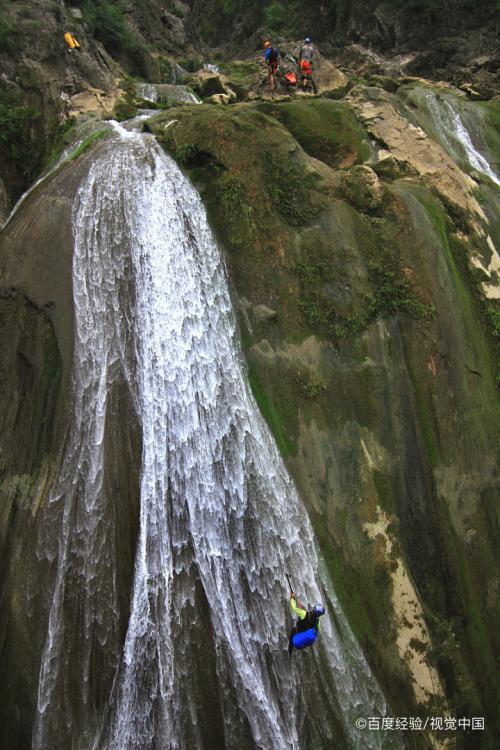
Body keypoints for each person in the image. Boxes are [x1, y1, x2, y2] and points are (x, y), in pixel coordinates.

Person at [288, 592, 325, 656]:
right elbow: (316, 630)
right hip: (303, 636)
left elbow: (294, 607)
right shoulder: (317, 622)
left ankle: (289, 653)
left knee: (292, 636)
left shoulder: (304, 613)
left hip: (296, 632)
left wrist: (292, 597)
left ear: (314, 609)